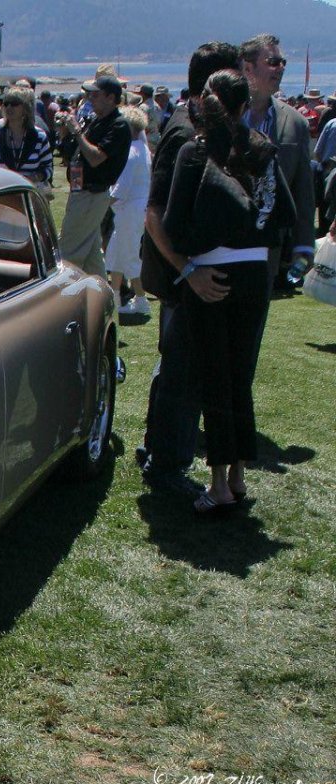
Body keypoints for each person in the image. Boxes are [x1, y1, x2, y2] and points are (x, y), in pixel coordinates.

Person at [160, 69, 295, 513]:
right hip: (254, 275)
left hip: (210, 274)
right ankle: (237, 474)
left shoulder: (195, 152)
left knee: (214, 378)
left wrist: (195, 257)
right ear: (242, 107)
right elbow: (283, 217)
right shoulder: (262, 150)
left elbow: (174, 226)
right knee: (240, 378)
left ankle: (219, 482)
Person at [140, 41, 241, 495]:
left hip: (187, 276)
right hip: (183, 278)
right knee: (182, 371)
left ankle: (159, 452)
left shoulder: (192, 127)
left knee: (176, 368)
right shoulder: (185, 135)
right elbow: (154, 213)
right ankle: (167, 466)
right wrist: (187, 272)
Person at [241, 33, 315, 287]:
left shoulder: (295, 123)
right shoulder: (224, 112)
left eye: (283, 62)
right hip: (219, 245)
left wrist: (304, 244)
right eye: (273, 62)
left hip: (267, 250)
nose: (281, 68)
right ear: (248, 67)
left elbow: (303, 189)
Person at [58, 75, 131, 277]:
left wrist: (78, 131)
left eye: (95, 94)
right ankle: (102, 300)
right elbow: (73, 152)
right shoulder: (97, 121)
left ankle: (65, 298)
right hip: (82, 191)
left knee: (68, 251)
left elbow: (96, 158)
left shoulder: (118, 125)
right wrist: (67, 133)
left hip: (91, 193)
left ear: (110, 97)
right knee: (91, 256)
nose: (90, 98)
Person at [103, 105, 152, 315]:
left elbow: (120, 190)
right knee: (117, 252)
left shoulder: (131, 153)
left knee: (128, 255)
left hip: (129, 210)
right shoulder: (142, 148)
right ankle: (116, 298)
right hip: (134, 209)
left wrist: (99, 206)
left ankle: (140, 300)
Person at [0, 85, 53, 187]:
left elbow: (48, 168)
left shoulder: (39, 136)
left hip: (29, 195)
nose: (9, 107)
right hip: (2, 196)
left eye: (14, 104)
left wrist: (33, 178)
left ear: (26, 107)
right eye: (6, 104)